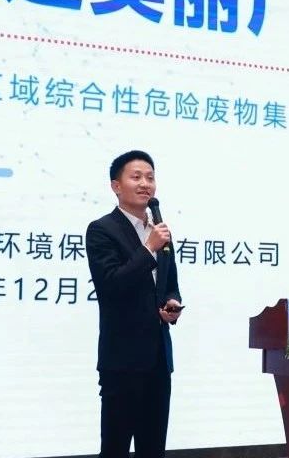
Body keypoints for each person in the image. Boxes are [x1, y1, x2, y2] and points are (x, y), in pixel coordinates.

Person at [85, 150, 183, 458]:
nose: (145, 184)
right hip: (122, 361)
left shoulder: (160, 231)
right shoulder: (102, 230)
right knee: (115, 449)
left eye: (150, 178)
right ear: (116, 186)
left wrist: (172, 303)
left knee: (153, 450)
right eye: (136, 177)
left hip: (158, 360)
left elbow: (170, 284)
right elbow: (111, 285)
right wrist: (148, 248)